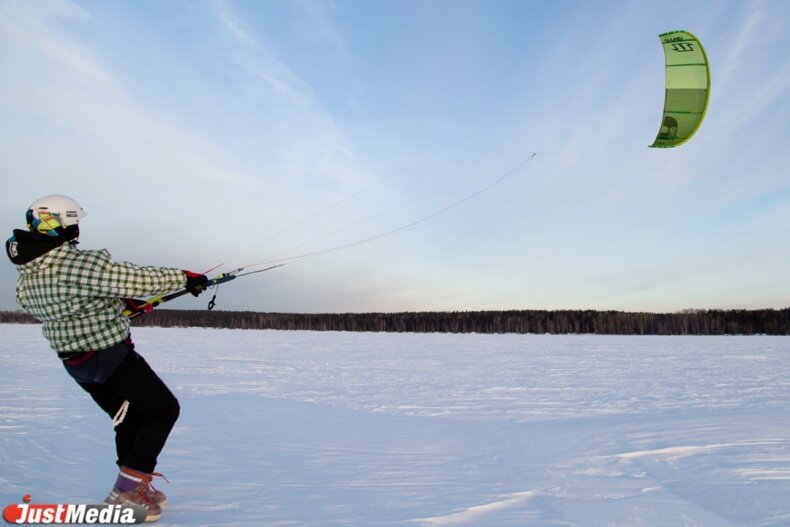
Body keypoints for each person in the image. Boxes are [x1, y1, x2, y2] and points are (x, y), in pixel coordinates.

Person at [5, 195, 208, 522]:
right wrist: (186, 277)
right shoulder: (77, 264)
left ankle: (130, 488)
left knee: (128, 417)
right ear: (62, 224)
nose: (77, 229)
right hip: (109, 356)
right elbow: (138, 278)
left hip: (78, 365)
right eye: (74, 223)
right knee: (163, 409)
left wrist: (121, 306)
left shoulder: (28, 276)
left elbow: (72, 306)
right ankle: (127, 494)